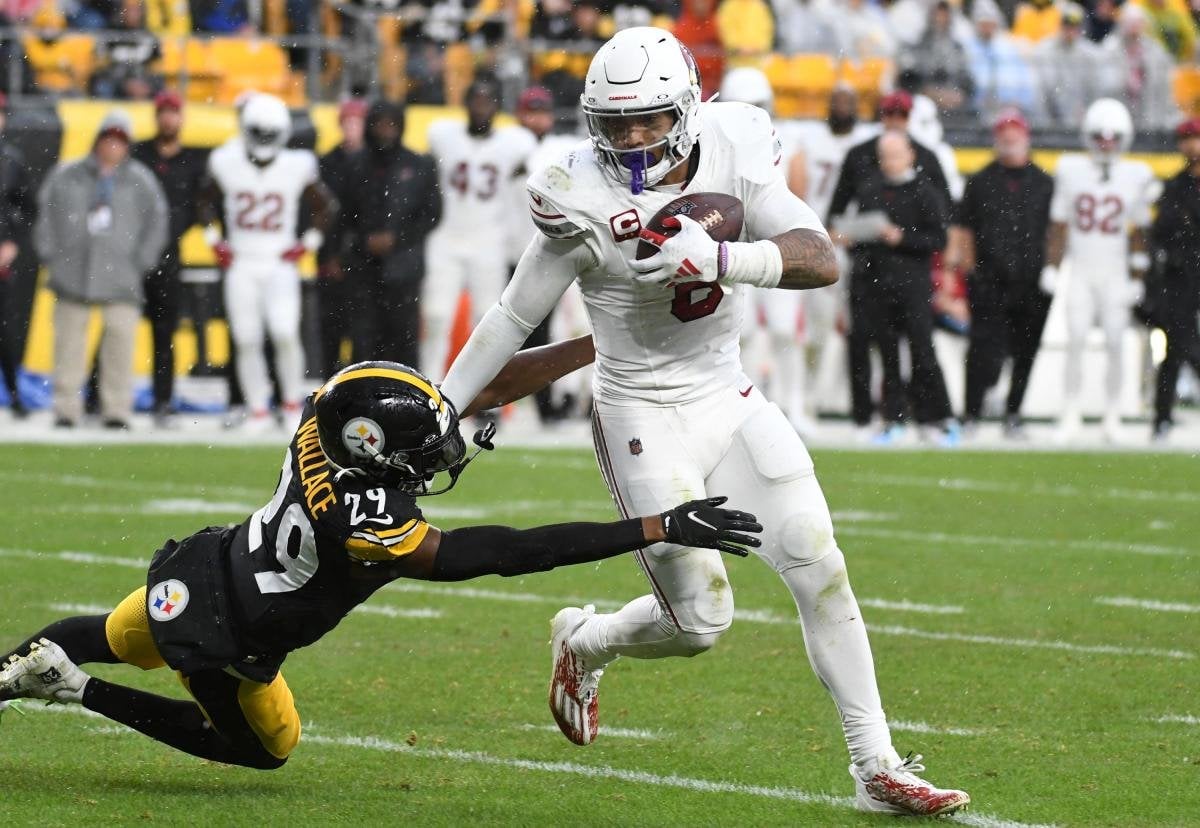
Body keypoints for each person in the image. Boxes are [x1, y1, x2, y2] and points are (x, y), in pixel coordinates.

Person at [440, 27, 969, 817]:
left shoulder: (736, 140)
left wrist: (725, 259)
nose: (631, 138)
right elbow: (513, 315)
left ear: (687, 109)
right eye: (615, 123)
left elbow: (820, 256)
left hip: (728, 394)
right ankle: (583, 642)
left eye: (649, 120)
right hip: (640, 410)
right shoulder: (575, 190)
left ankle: (875, 764)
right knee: (701, 622)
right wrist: (443, 408)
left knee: (818, 563)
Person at [0, 355, 762, 769]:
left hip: (205, 572)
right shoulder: (368, 519)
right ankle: (76, 691)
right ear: (372, 448)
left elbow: (469, 388)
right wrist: (654, 524)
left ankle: (26, 673)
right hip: (238, 644)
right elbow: (503, 552)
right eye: (420, 454)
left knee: (108, 628)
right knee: (264, 753)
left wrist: (597, 344)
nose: (435, 459)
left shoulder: (324, 413)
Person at [198, 92, 337, 432]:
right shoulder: (226, 161)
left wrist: (308, 243)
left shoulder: (297, 165)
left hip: (278, 262)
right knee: (246, 337)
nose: (263, 141)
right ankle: (257, 408)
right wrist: (214, 240)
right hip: (242, 262)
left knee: (284, 332)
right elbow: (202, 201)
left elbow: (326, 206)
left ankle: (291, 404)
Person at [35, 110, 168, 430]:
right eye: (108, 139)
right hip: (72, 275)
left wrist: (140, 263)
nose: (113, 147)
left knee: (120, 347)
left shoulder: (141, 180)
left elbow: (157, 223)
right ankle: (66, 409)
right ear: (98, 140)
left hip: (122, 278)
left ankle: (116, 410)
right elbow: (45, 217)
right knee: (68, 346)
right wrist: (53, 257)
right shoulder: (67, 175)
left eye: (120, 141)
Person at [1042, 98, 1158, 443]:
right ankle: (1071, 411)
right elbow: (1060, 224)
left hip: (1115, 270)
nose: (1106, 143)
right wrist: (1052, 266)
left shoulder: (1137, 174)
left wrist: (1138, 275)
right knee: (1075, 340)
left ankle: (1112, 414)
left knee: (1114, 343)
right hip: (1081, 268)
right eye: (1100, 136)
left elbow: (1139, 231)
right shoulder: (1071, 169)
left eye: (1112, 136)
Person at [840, 130, 957, 444]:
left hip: (913, 283)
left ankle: (935, 418)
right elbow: (858, 237)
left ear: (910, 155)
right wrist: (853, 239)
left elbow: (938, 239)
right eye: (885, 156)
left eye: (895, 155)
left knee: (923, 351)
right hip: (877, 282)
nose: (889, 162)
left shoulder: (925, 192)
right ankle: (893, 417)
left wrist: (902, 237)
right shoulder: (870, 190)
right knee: (888, 354)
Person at [947, 108, 1053, 438]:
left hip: (1032, 280)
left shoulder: (1044, 182)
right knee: (982, 350)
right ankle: (971, 413)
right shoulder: (980, 181)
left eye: (1014, 136)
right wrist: (968, 272)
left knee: (1026, 351)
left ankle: (1013, 413)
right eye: (1004, 137)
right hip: (989, 279)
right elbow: (964, 231)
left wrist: (1053, 267)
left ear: (1025, 138)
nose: (1009, 142)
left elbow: (1055, 230)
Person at [422, 74, 536, 381]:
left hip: (489, 239)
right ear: (465, 103)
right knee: (435, 316)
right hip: (446, 237)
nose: (481, 107)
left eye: (488, 101)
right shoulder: (444, 134)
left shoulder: (515, 143)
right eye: (476, 100)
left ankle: (483, 389)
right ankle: (430, 385)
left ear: (498, 106)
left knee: (487, 321)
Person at [507, 85, 587, 423]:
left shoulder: (563, 148)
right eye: (531, 111)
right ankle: (537, 402)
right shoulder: (507, 144)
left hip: (564, 250)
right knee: (528, 333)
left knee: (568, 329)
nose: (536, 118)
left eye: (541, 111)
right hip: (518, 250)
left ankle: (573, 399)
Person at [131, 90, 209, 426]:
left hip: (168, 257)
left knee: (165, 333)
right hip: (132, 256)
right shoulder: (139, 155)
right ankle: (98, 397)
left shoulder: (192, 161)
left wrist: (170, 229)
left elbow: (199, 206)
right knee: (117, 326)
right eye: (163, 112)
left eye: (172, 113)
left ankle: (163, 400)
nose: (168, 119)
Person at [356, 100, 442, 367]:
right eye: (380, 124)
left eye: (391, 124)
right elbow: (345, 214)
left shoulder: (419, 165)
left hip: (405, 266)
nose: (386, 130)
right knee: (364, 340)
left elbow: (432, 213)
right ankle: (362, 401)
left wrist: (397, 239)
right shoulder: (355, 164)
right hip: (362, 267)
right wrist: (364, 240)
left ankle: (406, 402)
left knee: (405, 339)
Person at [1149, 117, 1200, 441]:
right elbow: (1161, 234)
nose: (1190, 145)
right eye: (1186, 139)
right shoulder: (1174, 187)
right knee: (1178, 347)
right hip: (1183, 277)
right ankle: (1162, 417)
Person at [315, 98, 367, 377]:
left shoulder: (373, 162)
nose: (352, 128)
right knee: (331, 330)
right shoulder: (327, 163)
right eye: (348, 122)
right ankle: (330, 383)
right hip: (331, 255)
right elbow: (325, 215)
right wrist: (330, 254)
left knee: (363, 333)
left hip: (362, 260)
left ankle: (358, 382)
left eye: (356, 122)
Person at [0, 92, 34, 418]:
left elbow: (26, 208)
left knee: (6, 333)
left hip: (1, 262)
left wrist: (12, 243)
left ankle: (14, 395)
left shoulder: (11, 161)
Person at [1031, 3, 1102, 128]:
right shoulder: (1044, 51)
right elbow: (1041, 91)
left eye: (1075, 27)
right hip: (1050, 119)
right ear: (1060, 26)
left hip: (1082, 120)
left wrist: (1088, 112)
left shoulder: (1090, 55)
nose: (1070, 31)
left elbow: (1095, 89)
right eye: (1067, 26)